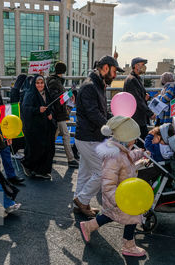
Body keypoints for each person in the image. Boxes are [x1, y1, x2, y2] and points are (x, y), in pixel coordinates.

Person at [79, 116, 147, 257]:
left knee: (110, 215)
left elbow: (128, 158)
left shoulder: (120, 152)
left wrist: (140, 153)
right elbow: (108, 183)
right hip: (120, 196)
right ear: (126, 139)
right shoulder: (114, 157)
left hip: (122, 194)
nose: (135, 140)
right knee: (132, 216)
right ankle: (129, 245)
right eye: (134, 138)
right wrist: (118, 199)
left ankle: (88, 226)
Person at [74, 55, 124, 218]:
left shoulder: (97, 84)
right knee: (101, 173)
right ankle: (82, 200)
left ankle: (79, 201)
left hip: (89, 136)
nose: (115, 75)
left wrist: (114, 120)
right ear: (105, 68)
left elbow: (101, 111)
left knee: (85, 172)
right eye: (114, 71)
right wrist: (111, 127)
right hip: (88, 137)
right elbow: (93, 113)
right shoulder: (90, 86)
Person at [21, 75, 57, 179]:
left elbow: (51, 106)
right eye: (37, 83)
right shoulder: (30, 94)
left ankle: (42, 171)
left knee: (48, 149)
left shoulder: (47, 93)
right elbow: (25, 109)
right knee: (35, 149)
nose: (40, 85)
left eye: (41, 83)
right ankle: (27, 165)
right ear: (34, 84)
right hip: (34, 127)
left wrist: (51, 114)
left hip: (46, 126)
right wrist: (37, 110)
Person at [46, 62, 79, 168]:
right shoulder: (55, 82)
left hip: (58, 113)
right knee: (65, 135)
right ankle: (70, 159)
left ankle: (48, 157)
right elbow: (57, 99)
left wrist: (69, 94)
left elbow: (57, 97)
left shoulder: (54, 81)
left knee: (53, 137)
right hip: (58, 113)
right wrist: (69, 94)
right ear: (64, 71)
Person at [124, 57, 156, 147]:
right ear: (136, 66)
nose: (144, 67)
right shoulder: (132, 80)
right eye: (142, 64)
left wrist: (144, 97)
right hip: (136, 118)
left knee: (142, 142)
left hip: (137, 118)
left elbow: (138, 97)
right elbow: (136, 100)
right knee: (141, 144)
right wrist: (150, 113)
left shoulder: (136, 78)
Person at [9, 74, 28, 160]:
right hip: (20, 114)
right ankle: (14, 152)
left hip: (14, 114)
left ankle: (14, 151)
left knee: (16, 134)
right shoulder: (20, 90)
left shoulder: (14, 89)